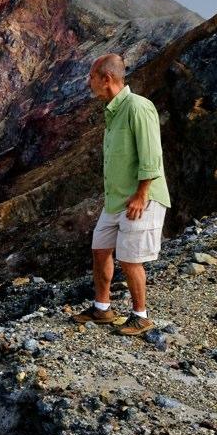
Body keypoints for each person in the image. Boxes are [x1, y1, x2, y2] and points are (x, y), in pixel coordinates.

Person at [70, 53, 170, 336]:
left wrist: (141, 194)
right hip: (117, 199)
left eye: (91, 78)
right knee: (101, 249)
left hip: (141, 198)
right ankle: (102, 308)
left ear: (107, 79)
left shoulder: (138, 107)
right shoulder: (113, 110)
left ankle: (141, 316)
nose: (89, 84)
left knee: (130, 258)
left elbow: (151, 155)